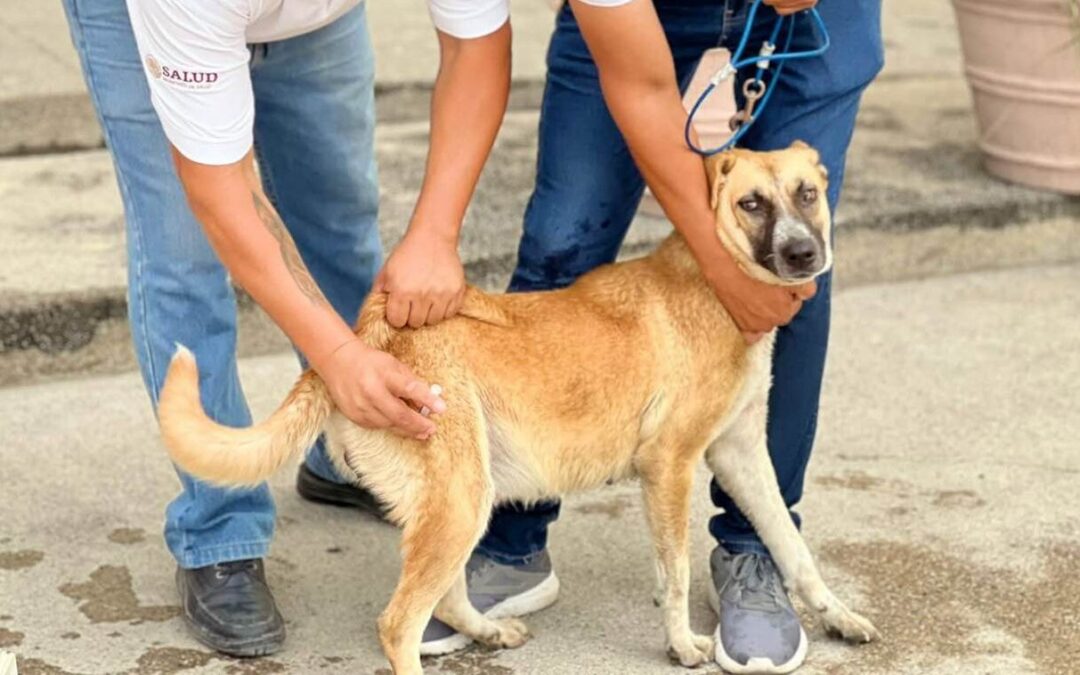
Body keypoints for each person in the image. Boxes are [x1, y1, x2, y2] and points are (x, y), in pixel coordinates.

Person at [350, 0, 884, 671]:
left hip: (818, 24)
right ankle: (504, 538)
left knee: (795, 267)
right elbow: (642, 87)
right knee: (562, 235)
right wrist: (722, 261)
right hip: (634, 15)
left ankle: (756, 555)